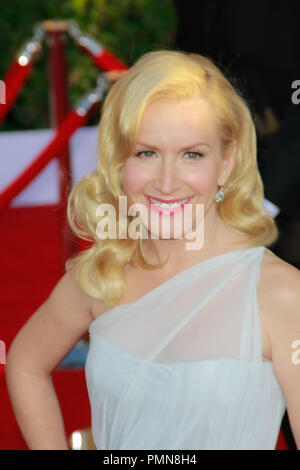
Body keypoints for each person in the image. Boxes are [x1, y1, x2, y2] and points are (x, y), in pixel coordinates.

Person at [5, 49, 300, 450]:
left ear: (227, 162)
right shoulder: (104, 274)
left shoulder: (280, 295)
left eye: (191, 155)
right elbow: (24, 363)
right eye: (146, 153)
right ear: (118, 159)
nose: (166, 183)